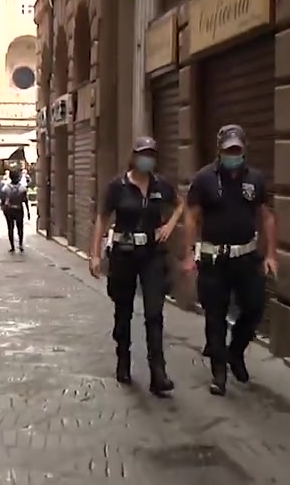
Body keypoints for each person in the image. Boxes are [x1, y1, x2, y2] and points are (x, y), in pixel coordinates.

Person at [182, 124, 277, 396]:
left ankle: (236, 352)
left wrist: (271, 253)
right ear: (219, 150)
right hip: (214, 259)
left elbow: (266, 216)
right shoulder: (204, 179)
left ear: (244, 149)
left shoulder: (255, 179)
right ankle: (219, 372)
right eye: (228, 150)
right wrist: (188, 254)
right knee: (215, 316)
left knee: (255, 308)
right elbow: (191, 216)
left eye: (236, 149)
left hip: (246, 257)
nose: (232, 154)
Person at [90, 136, 184, 396]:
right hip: (124, 254)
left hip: (152, 254)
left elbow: (180, 204)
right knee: (124, 311)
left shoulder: (160, 184)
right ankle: (123, 359)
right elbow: (102, 218)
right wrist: (94, 254)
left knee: (154, 313)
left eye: (151, 154)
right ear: (133, 156)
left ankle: (158, 373)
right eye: (143, 153)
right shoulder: (117, 186)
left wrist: (169, 225)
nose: (147, 158)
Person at [2, 169, 30, 252]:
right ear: (18, 177)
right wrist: (28, 211)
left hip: (9, 209)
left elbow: (3, 200)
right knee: (20, 228)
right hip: (19, 209)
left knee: (10, 228)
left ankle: (12, 246)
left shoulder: (6, 188)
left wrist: (3, 208)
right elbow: (25, 200)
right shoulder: (22, 188)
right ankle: (20, 245)